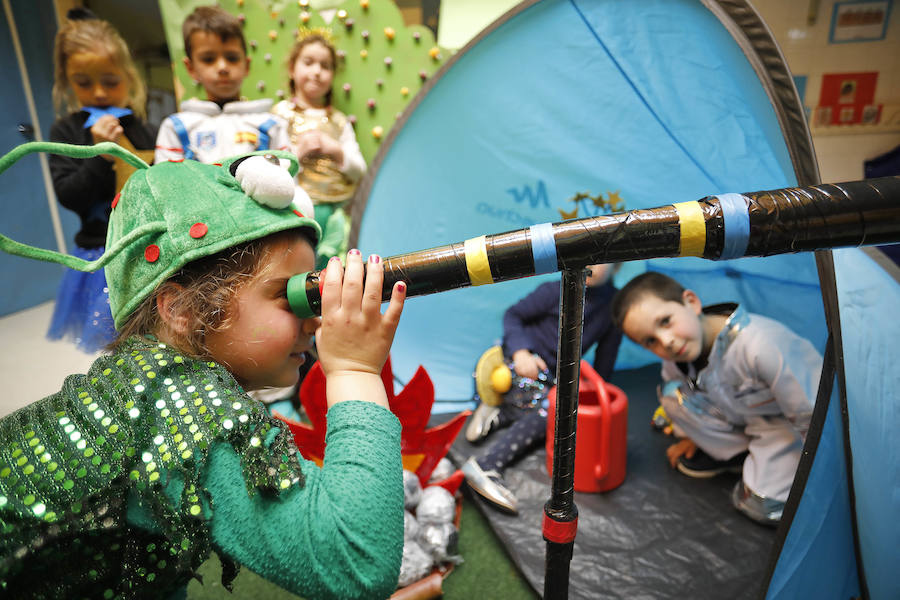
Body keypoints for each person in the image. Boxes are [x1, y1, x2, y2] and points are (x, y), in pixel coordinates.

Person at [0, 141, 407, 599]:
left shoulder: (138, 381)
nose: (315, 320)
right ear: (181, 309)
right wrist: (354, 369)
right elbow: (356, 563)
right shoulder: (180, 410)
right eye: (288, 296)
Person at [610, 272, 822, 525]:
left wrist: (820, 471)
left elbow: (812, 416)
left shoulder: (761, 345)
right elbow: (689, 392)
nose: (666, 341)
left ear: (691, 302)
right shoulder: (677, 358)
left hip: (786, 425)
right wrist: (696, 437)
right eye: (650, 341)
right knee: (672, 396)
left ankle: (767, 460)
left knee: (762, 505)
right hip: (742, 417)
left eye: (665, 321)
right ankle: (736, 456)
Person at [462, 264, 622, 513]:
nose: (590, 265)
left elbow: (605, 362)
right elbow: (513, 315)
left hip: (551, 379)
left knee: (563, 415)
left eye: (602, 260)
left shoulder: (613, 307)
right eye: (587, 257)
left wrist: (594, 398)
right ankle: (486, 464)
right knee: (551, 411)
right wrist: (521, 352)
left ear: (618, 266)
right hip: (516, 365)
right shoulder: (555, 290)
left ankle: (499, 413)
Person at [47, 9, 157, 352]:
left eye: (110, 81)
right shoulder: (64, 131)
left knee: (156, 338)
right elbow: (69, 195)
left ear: (129, 76)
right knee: (116, 347)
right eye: (83, 82)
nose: (98, 93)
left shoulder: (145, 128)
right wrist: (100, 156)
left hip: (148, 252)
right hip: (101, 258)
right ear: (66, 81)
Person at [271, 29, 366, 270]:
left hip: (337, 213)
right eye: (309, 62)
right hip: (294, 213)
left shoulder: (338, 121)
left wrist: (336, 150)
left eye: (325, 66)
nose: (317, 71)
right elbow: (268, 170)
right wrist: (297, 153)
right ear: (292, 69)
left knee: (335, 270)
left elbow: (359, 170)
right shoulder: (281, 115)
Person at [154, 5, 291, 165]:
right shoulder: (177, 127)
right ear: (191, 68)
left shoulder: (271, 125)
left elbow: (287, 181)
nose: (222, 67)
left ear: (246, 65)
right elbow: (166, 183)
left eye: (232, 58)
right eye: (208, 59)